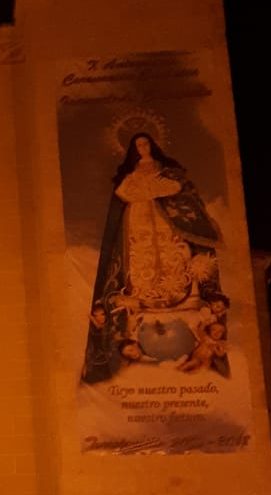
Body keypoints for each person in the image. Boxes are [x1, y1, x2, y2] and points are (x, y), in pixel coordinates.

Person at [81, 132, 223, 383]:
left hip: (163, 218)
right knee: (142, 257)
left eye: (145, 143)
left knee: (172, 254)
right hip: (138, 219)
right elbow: (125, 193)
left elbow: (178, 189)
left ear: (153, 145)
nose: (142, 147)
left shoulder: (166, 169)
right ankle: (146, 301)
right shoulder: (131, 174)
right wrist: (143, 191)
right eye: (138, 145)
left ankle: (176, 299)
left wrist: (155, 190)